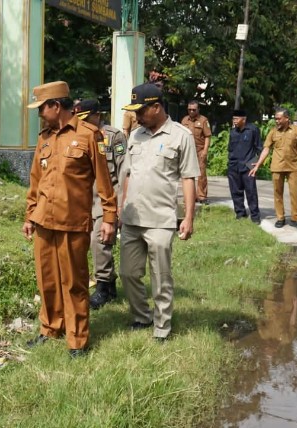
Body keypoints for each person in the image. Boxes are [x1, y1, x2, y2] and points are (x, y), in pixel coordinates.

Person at [22, 81, 117, 358]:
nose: (39, 114)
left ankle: (77, 339)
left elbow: (104, 181)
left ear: (55, 106)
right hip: (43, 220)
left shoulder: (89, 135)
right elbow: (36, 180)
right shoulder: (45, 137)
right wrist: (29, 215)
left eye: (41, 108)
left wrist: (109, 217)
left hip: (73, 222)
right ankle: (51, 327)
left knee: (74, 283)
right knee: (47, 279)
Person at [119, 83, 200, 341]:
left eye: (140, 111)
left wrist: (188, 217)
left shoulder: (181, 136)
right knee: (128, 273)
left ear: (156, 107)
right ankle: (142, 316)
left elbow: (188, 178)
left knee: (160, 276)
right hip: (132, 218)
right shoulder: (136, 136)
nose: (137, 116)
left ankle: (162, 327)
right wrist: (122, 207)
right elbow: (128, 174)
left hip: (161, 219)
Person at [74, 99, 127, 309]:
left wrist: (121, 205)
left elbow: (123, 171)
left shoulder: (113, 136)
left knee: (100, 242)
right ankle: (110, 286)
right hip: (84, 200)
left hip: (106, 201)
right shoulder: (78, 136)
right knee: (88, 244)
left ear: (97, 115)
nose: (83, 122)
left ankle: (103, 287)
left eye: (86, 118)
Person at [249, 107, 297, 230]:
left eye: (279, 119)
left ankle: (296, 219)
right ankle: (280, 218)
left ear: (287, 118)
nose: (277, 121)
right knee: (277, 193)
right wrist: (258, 165)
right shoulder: (273, 132)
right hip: (277, 166)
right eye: (275, 119)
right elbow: (266, 149)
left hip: (293, 167)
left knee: (295, 193)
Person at [227, 109, 263, 224]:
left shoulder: (253, 130)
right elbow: (230, 149)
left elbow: (259, 148)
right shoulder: (233, 132)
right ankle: (240, 213)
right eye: (233, 119)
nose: (234, 121)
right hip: (234, 166)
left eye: (236, 119)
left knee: (251, 192)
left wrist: (256, 164)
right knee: (235, 191)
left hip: (248, 166)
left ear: (244, 119)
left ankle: (255, 216)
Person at [181, 100, 212, 204]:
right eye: (189, 109)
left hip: (199, 150)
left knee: (201, 174)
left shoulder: (203, 120)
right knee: (187, 174)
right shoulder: (184, 120)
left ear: (198, 109)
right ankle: (190, 196)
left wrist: (205, 151)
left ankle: (202, 196)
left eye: (194, 109)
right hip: (187, 150)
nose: (191, 111)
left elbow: (207, 136)